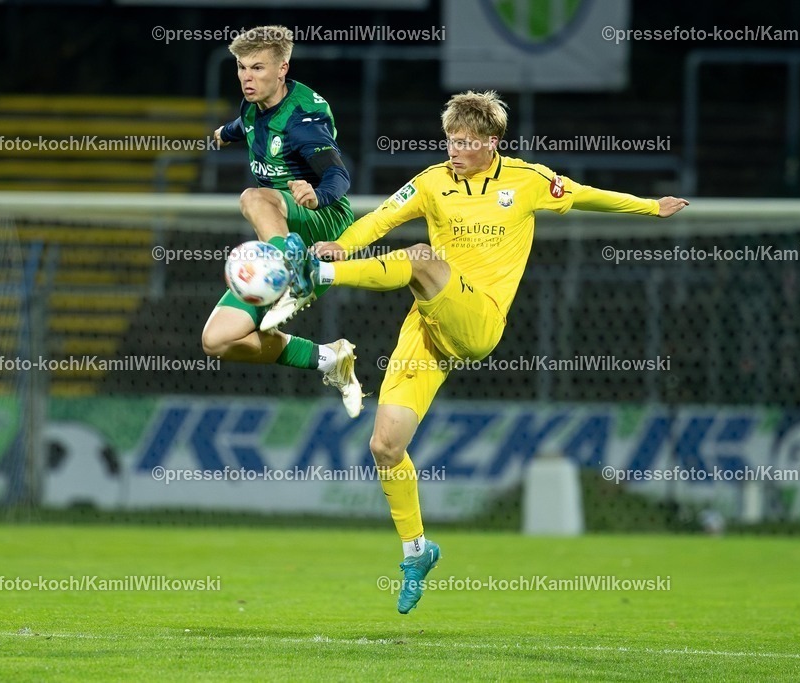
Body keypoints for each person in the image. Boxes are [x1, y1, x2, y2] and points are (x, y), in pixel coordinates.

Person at [283, 90, 690, 613]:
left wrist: (651, 207)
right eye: (450, 140)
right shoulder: (431, 181)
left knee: (421, 258)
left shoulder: (527, 179)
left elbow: (586, 194)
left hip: (480, 320)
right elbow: (379, 219)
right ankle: (416, 551)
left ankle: (318, 277)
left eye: (466, 142)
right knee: (385, 445)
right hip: (428, 324)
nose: (454, 150)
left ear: (492, 142)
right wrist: (344, 242)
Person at [201, 25, 362, 417]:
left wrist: (318, 194)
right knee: (217, 340)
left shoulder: (303, 118)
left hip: (323, 223)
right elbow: (245, 125)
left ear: (282, 69)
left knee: (252, 197)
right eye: (242, 67)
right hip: (284, 231)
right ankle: (330, 359)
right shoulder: (253, 104)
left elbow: (338, 175)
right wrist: (223, 134)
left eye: (257, 68)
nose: (247, 77)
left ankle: (294, 268)